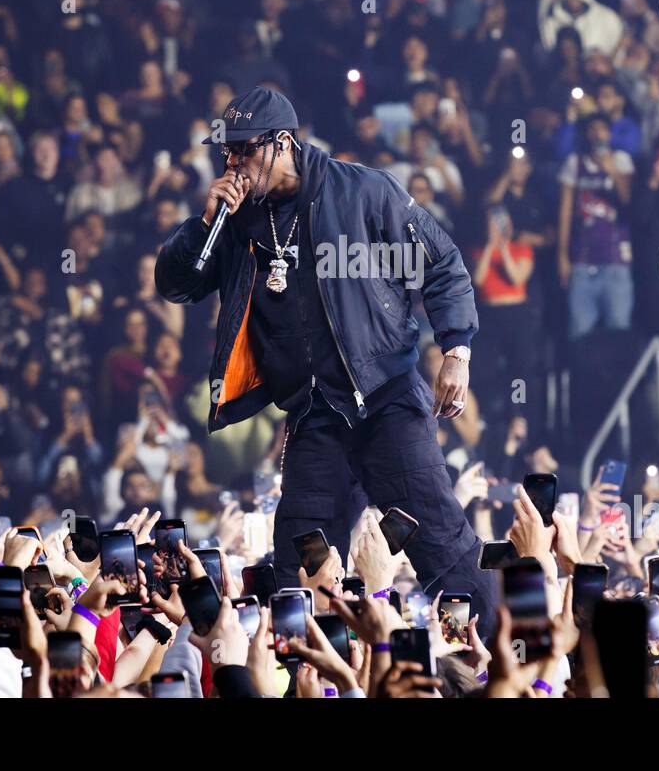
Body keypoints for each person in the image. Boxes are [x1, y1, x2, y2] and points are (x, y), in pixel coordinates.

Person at [156, 86, 497, 633]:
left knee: (440, 543)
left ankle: (500, 669)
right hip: (315, 414)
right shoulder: (236, 220)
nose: (233, 163)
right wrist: (205, 223)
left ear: (282, 143)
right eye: (227, 152)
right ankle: (306, 680)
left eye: (243, 150)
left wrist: (456, 350)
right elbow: (174, 284)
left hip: (385, 397)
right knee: (300, 566)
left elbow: (443, 263)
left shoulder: (361, 191)